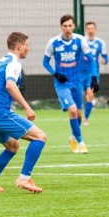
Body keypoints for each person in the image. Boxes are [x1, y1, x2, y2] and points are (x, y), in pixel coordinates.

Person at [0, 32, 47, 193]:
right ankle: (24, 178)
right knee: (40, 137)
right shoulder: (14, 63)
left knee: (12, 146)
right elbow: (10, 85)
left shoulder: (3, 60)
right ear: (19, 46)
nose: (28, 49)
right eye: (27, 46)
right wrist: (27, 107)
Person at [43, 15, 93, 154]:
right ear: (61, 27)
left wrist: (93, 76)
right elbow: (45, 62)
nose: (67, 28)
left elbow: (91, 60)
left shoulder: (80, 40)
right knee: (72, 110)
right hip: (62, 84)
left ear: (74, 26)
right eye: (65, 26)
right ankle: (81, 142)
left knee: (78, 114)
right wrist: (55, 73)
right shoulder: (53, 42)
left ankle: (72, 138)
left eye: (70, 26)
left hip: (77, 82)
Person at [80, 21, 109, 126]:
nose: (90, 30)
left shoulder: (101, 43)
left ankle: (85, 119)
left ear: (95, 30)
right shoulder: (82, 41)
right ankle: (79, 115)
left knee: (90, 95)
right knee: (80, 96)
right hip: (80, 73)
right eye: (88, 28)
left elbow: (106, 57)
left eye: (92, 28)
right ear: (86, 30)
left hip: (93, 73)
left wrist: (105, 60)